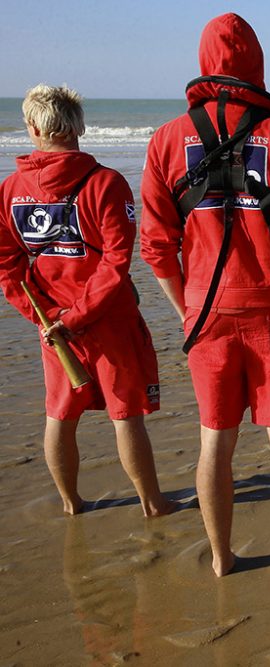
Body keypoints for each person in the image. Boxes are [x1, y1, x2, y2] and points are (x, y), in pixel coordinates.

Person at [140, 13, 270, 577]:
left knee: (214, 442)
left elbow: (155, 245)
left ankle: (223, 559)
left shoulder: (165, 140)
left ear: (204, 62)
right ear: (256, 63)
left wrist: (188, 312)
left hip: (207, 313)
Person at [0, 85, 174, 518]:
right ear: (78, 126)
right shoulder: (107, 184)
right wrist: (75, 317)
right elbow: (116, 263)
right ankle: (152, 503)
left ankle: (71, 503)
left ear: (34, 128)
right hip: (105, 319)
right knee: (125, 413)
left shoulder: (9, 190)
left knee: (60, 414)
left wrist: (47, 318)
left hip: (54, 325)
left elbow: (8, 268)